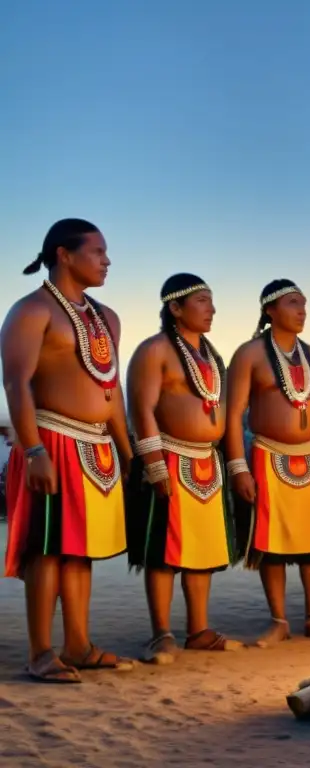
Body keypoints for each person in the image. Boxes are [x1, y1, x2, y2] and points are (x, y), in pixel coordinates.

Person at [2, 218, 135, 683]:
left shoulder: (107, 318)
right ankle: (41, 652)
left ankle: (78, 644)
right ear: (64, 254)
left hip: (96, 445)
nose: (107, 260)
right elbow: (16, 383)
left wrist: (127, 447)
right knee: (47, 549)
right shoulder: (31, 311)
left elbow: (110, 387)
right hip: (51, 439)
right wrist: (34, 450)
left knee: (81, 551)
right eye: (97, 251)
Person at [224, 279, 310, 646]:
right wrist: (238, 467)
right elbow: (233, 415)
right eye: (293, 303)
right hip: (267, 454)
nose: (302, 310)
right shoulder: (249, 354)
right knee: (273, 541)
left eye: (305, 304)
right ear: (269, 310)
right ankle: (278, 621)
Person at [125, 274, 242, 663]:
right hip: (169, 456)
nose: (212, 308)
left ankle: (199, 631)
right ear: (175, 308)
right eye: (203, 300)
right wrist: (154, 465)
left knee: (203, 548)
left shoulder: (213, 356)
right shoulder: (154, 350)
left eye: (212, 300)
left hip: (209, 459)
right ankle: (162, 634)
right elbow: (141, 408)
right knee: (163, 548)